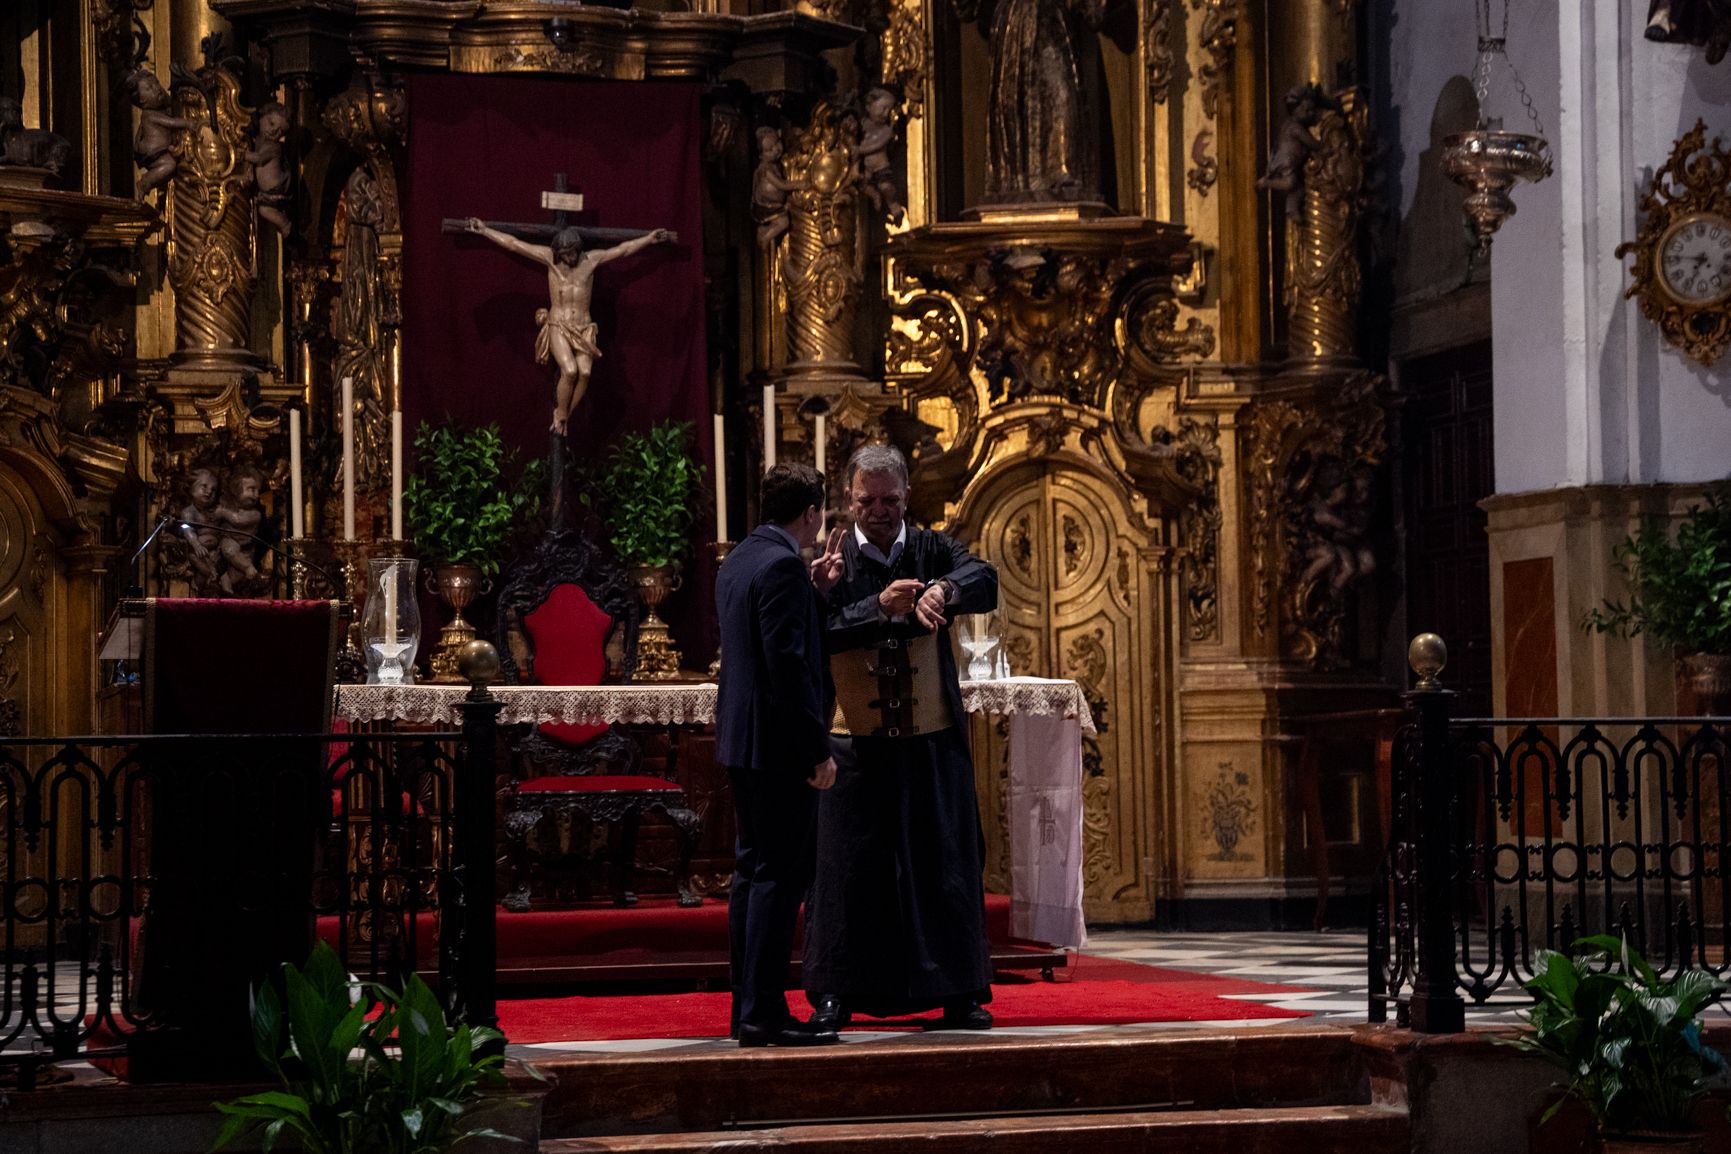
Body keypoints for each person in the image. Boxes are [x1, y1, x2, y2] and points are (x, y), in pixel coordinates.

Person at [803, 443, 999, 1030]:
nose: (881, 510)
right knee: (845, 872)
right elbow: (818, 631)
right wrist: (876, 609)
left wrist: (946, 591)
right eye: (869, 500)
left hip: (928, 739)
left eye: (891, 500)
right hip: (855, 742)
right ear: (849, 499)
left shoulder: (931, 546)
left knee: (943, 865)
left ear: (907, 498)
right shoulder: (831, 560)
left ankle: (960, 992)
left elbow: (984, 576)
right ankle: (834, 994)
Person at [715, 463, 845, 1048]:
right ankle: (765, 1012)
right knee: (778, 878)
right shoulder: (784, 566)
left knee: (751, 875)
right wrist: (817, 749)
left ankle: (748, 1005)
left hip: (743, 742)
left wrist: (814, 592)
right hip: (779, 748)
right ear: (811, 513)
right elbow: (789, 668)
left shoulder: (742, 559)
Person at [463, 218, 675, 435]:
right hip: (559, 325)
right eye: (565, 254)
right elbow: (514, 244)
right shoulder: (549, 259)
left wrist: (649, 239)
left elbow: (624, 250)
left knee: (585, 372)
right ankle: (561, 414)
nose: (569, 258)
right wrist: (485, 230)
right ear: (558, 252)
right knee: (570, 370)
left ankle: (564, 416)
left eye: (573, 253)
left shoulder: (591, 260)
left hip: (584, 328)